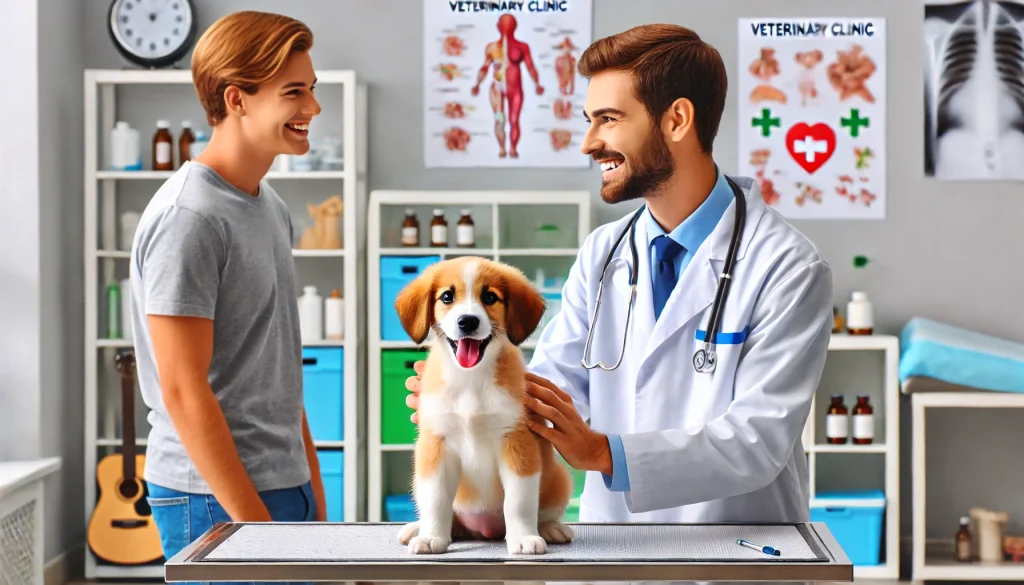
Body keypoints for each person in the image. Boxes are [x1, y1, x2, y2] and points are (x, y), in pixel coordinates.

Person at [406, 23, 834, 527]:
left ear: (677, 119)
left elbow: (759, 440)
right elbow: (553, 390)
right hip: (612, 547)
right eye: (590, 120)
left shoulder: (786, 266)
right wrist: (471, 392)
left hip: (731, 549)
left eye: (608, 119)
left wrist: (605, 454)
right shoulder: (604, 253)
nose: (589, 143)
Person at [128, 10, 325, 577]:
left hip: (278, 481)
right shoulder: (189, 217)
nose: (312, 108)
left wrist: (310, 483)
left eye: (310, 90)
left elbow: (276, 363)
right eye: (294, 93)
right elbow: (183, 390)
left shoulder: (269, 205)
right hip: (212, 496)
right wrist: (254, 529)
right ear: (237, 99)